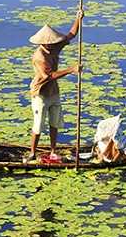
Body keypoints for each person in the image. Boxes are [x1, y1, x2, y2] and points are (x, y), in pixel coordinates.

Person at [26, 10, 83, 162]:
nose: (52, 45)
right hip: (41, 93)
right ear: (42, 43)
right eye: (49, 43)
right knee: (38, 125)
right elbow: (49, 76)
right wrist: (71, 69)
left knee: (54, 122)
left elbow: (71, 34)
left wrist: (78, 18)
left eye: (53, 42)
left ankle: (53, 151)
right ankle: (32, 152)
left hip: (54, 92)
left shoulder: (55, 46)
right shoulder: (39, 57)